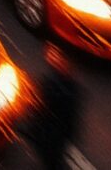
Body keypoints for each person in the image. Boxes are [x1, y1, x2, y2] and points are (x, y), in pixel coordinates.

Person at [28, 40, 82, 170]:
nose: (50, 56)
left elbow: (67, 115)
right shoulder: (56, 80)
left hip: (52, 135)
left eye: (55, 54)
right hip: (50, 133)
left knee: (52, 161)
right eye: (50, 52)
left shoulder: (64, 87)